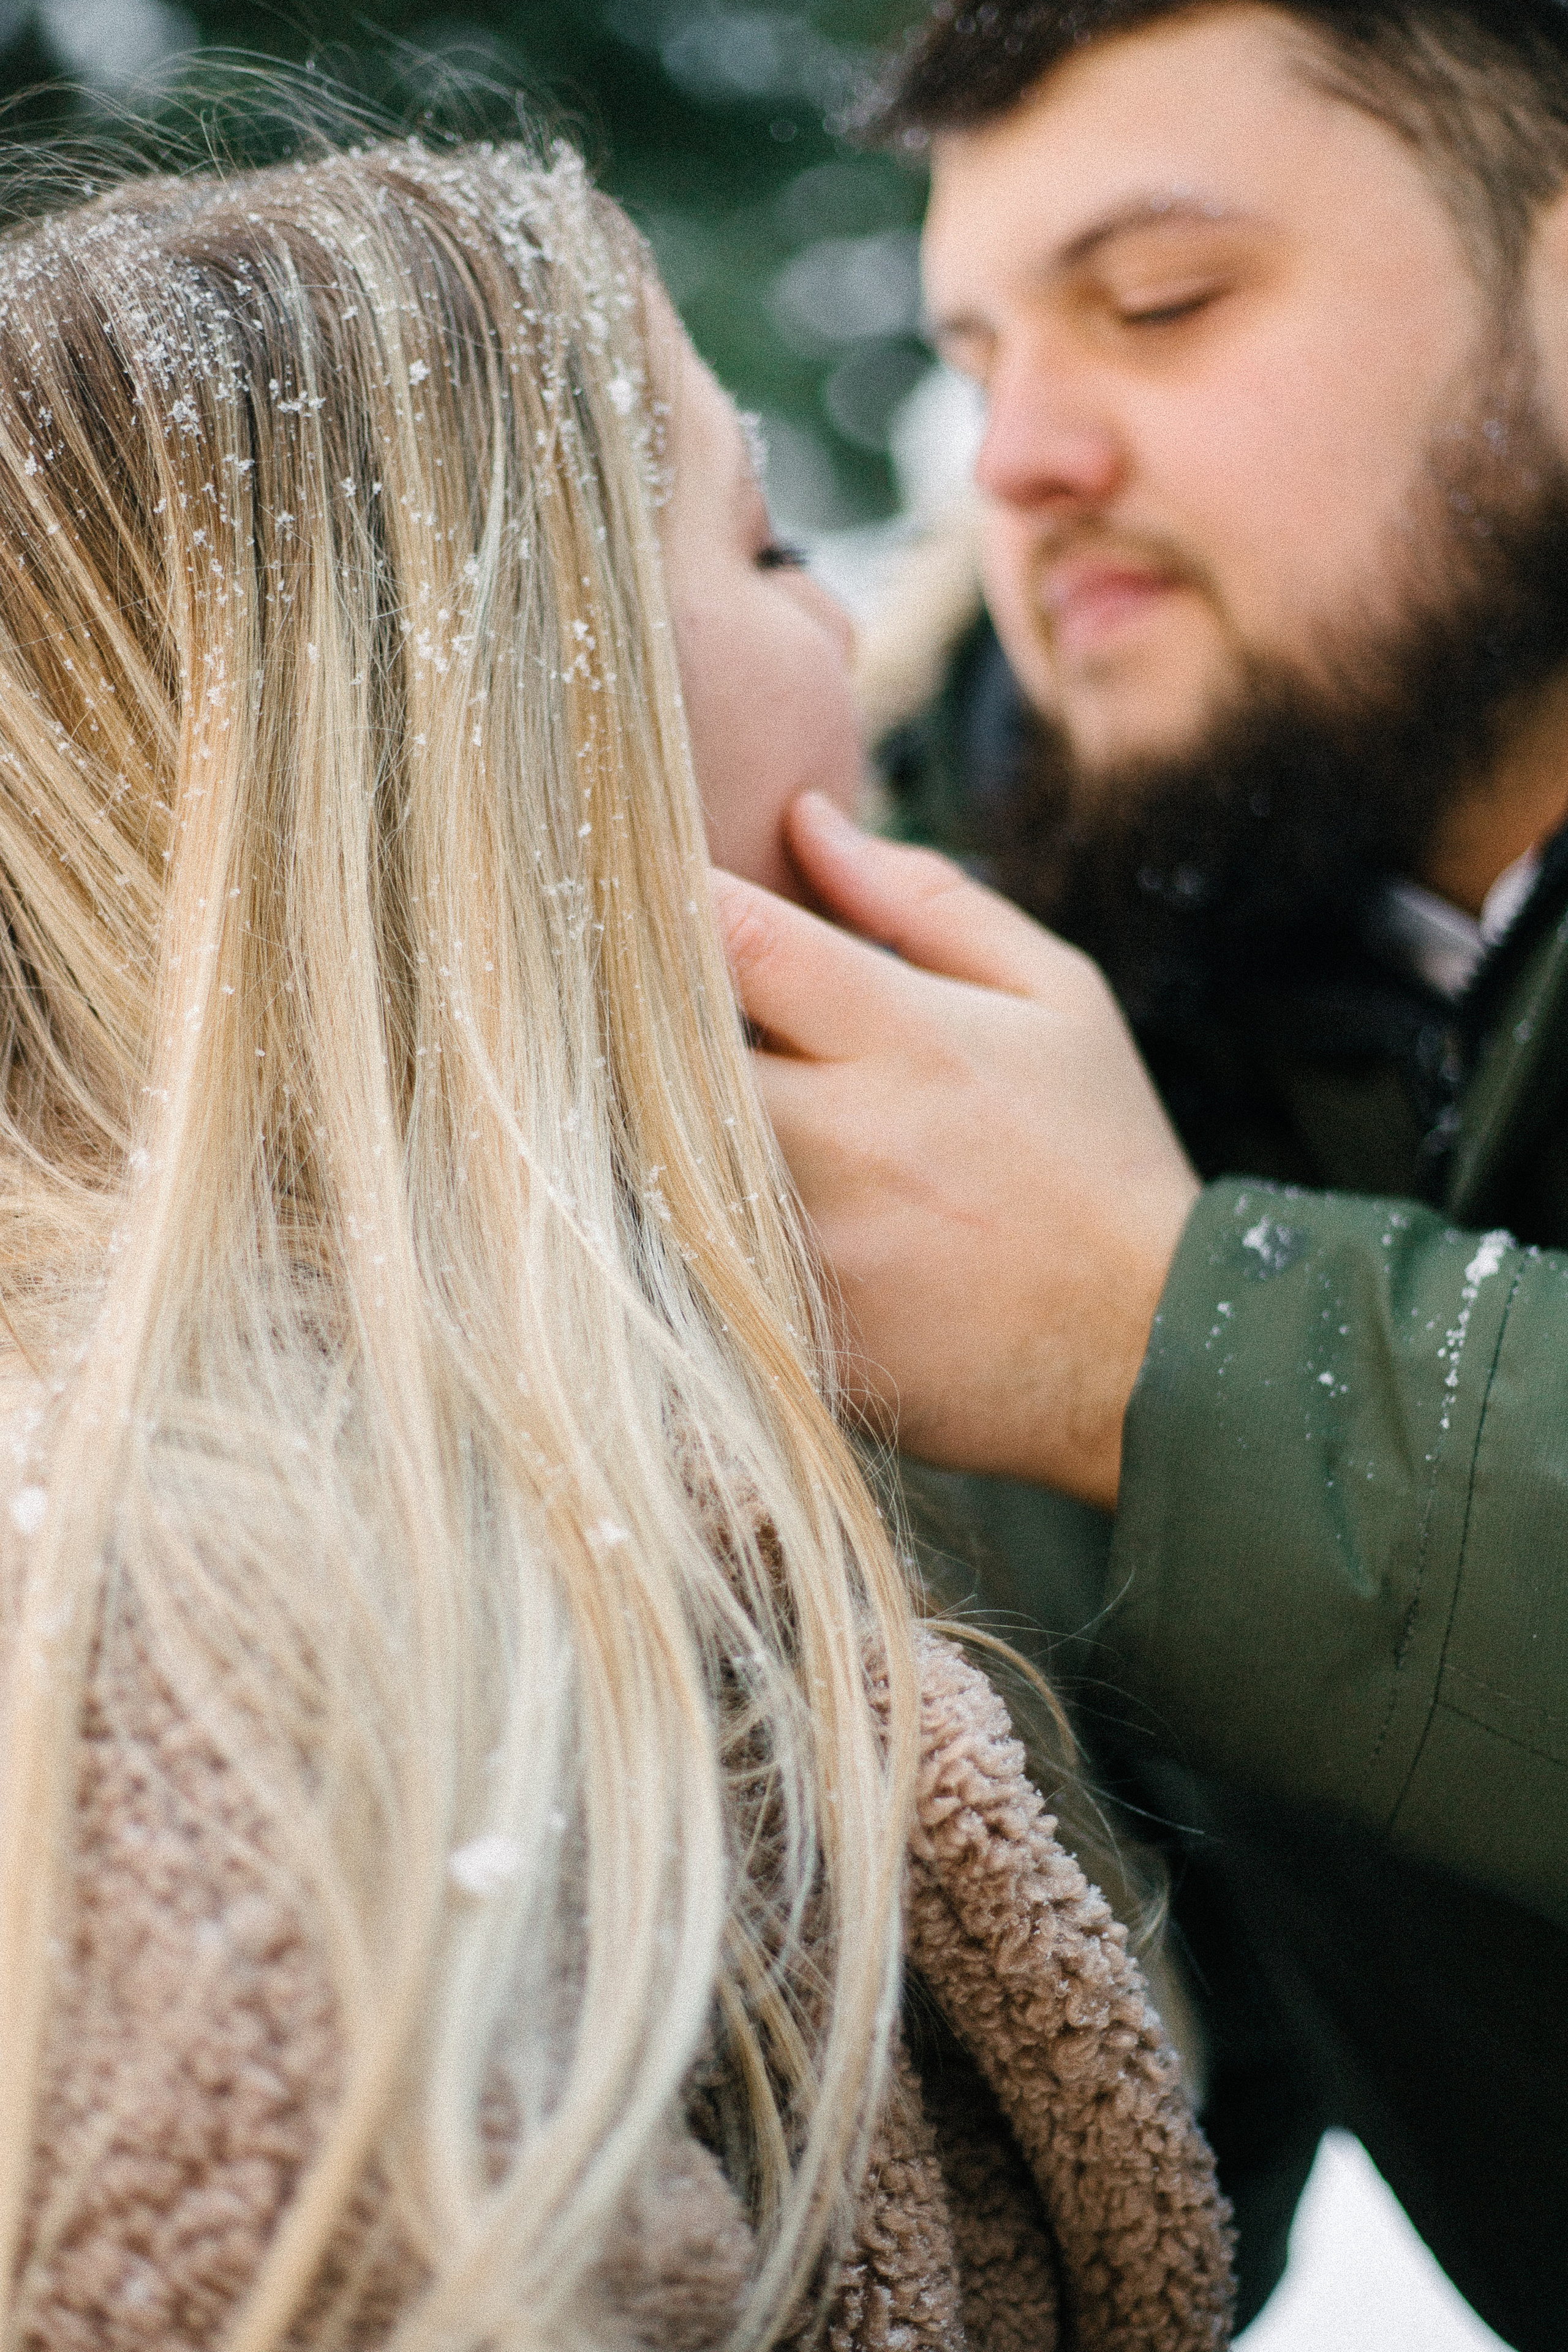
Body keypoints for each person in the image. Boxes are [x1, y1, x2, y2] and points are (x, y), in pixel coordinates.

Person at [0, 127, 1233, 2352]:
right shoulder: (205, 1702)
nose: (859, 615)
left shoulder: (496, 1488)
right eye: (764, 542)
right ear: (494, 718)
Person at [711, 3, 1568, 2345]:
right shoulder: (1070, 987)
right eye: (980, 354)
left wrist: (1156, 1344)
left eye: (1161, 303)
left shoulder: (1095, 1216)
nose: (1023, 457)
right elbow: (1168, 2069)